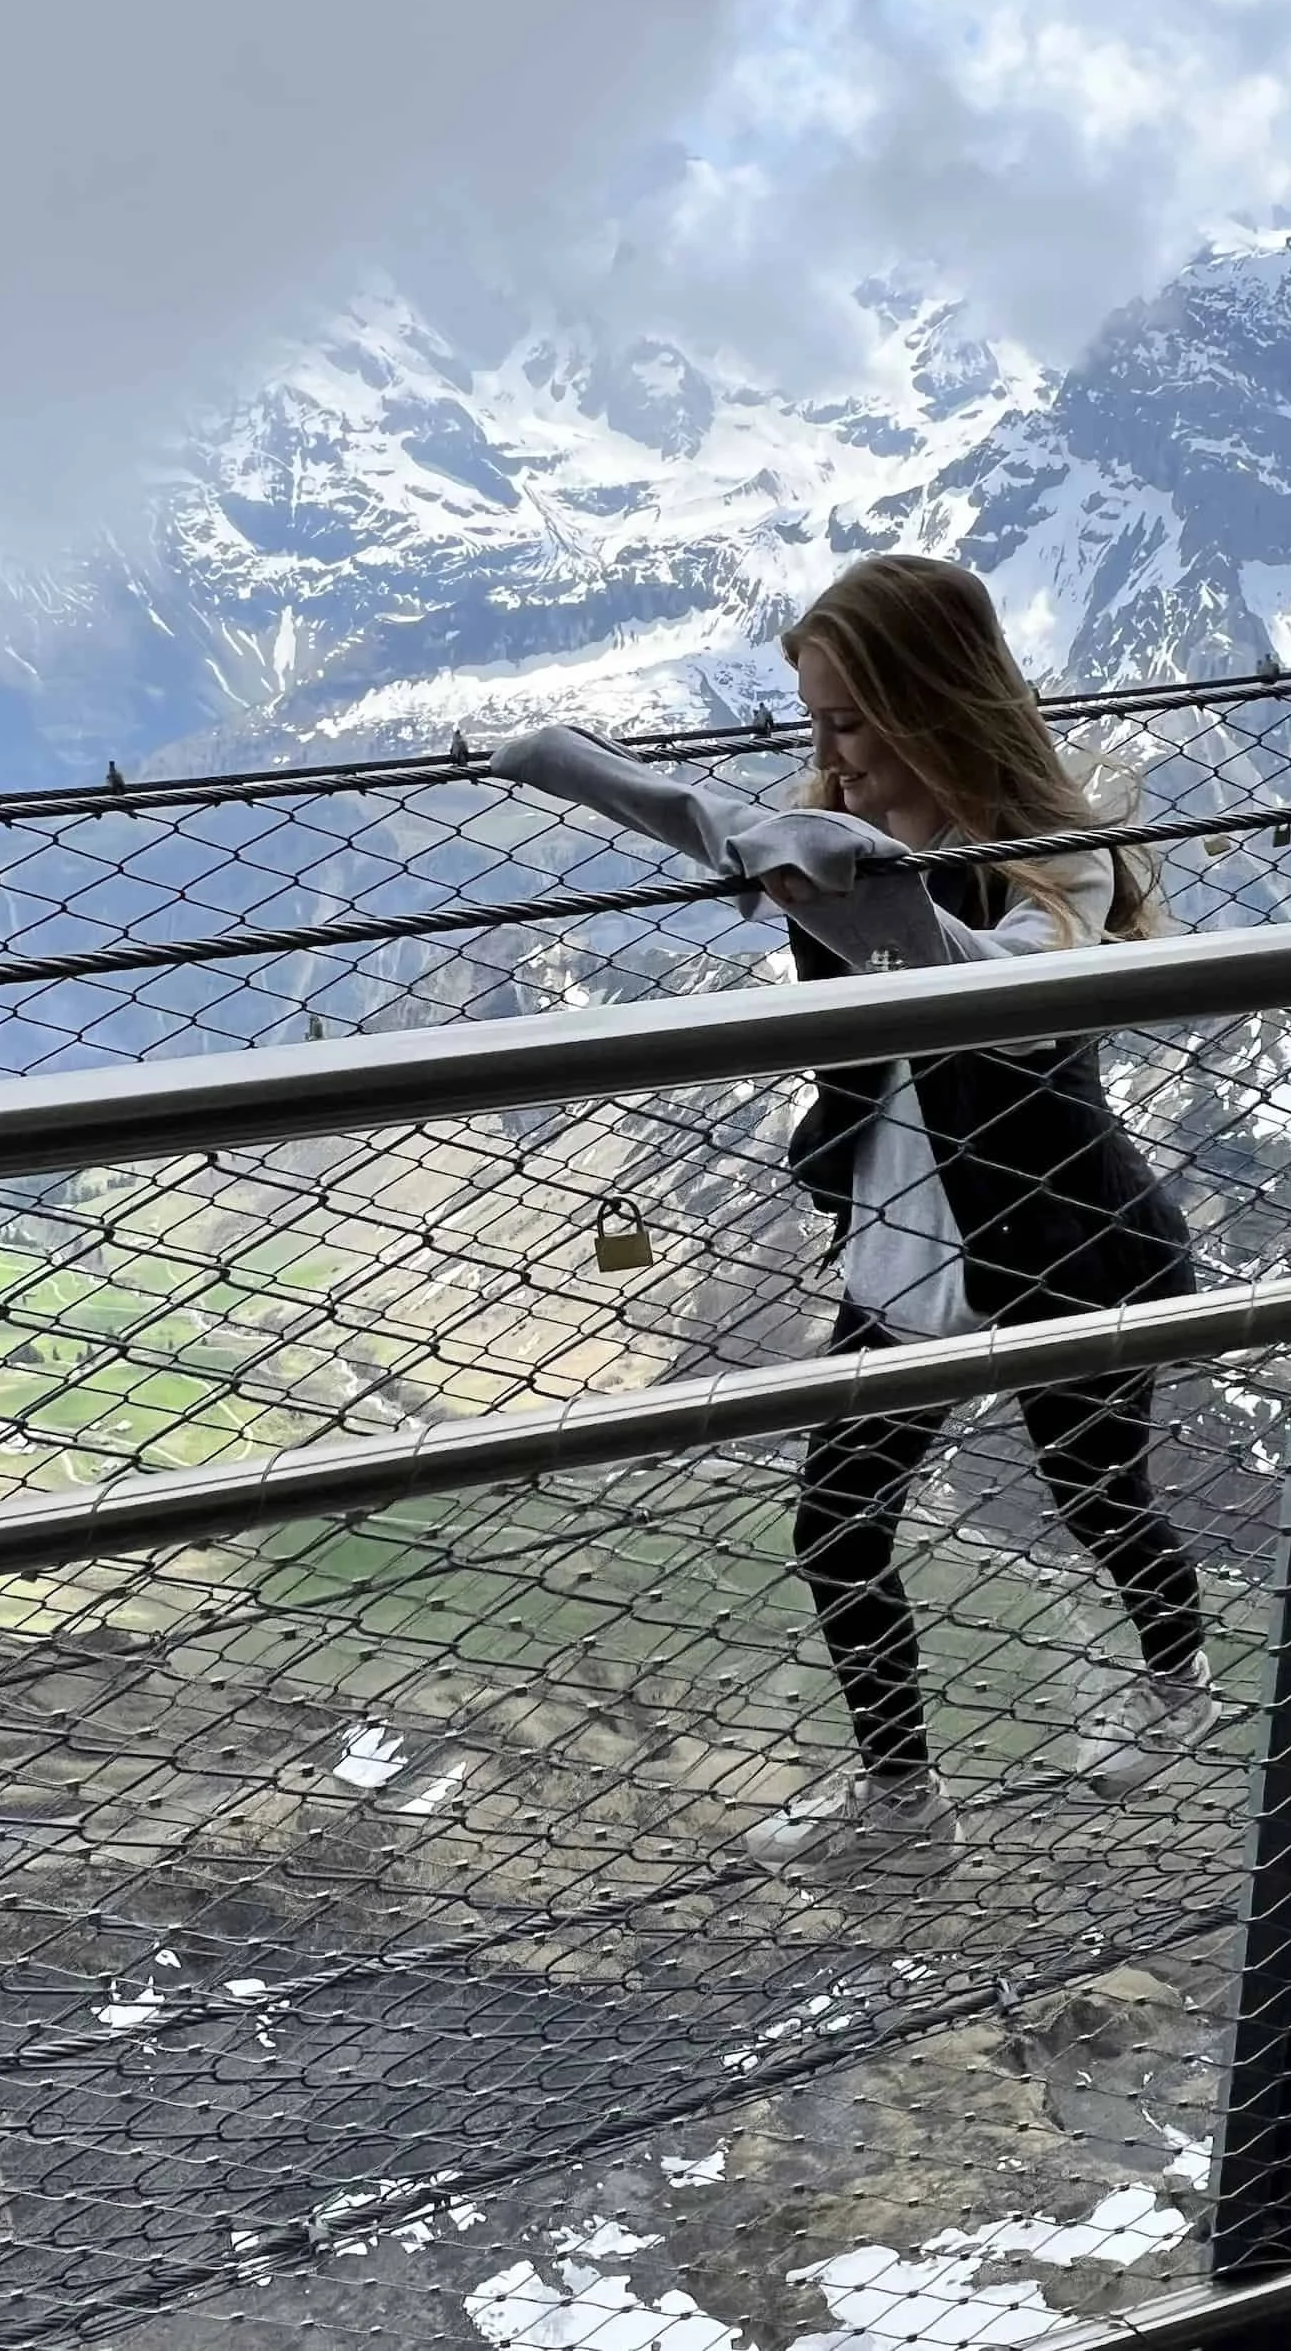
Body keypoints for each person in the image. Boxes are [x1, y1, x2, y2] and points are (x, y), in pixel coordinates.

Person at [488, 554, 1213, 1881]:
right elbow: (703, 821)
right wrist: (566, 761)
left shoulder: (1057, 861)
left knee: (1097, 1499)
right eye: (815, 722)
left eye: (850, 718)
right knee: (837, 1521)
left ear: (934, 701)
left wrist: (885, 902)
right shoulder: (828, 844)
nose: (829, 751)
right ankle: (901, 1799)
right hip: (912, 1244)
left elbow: (1022, 994)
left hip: (1067, 1247)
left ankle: (1177, 1678)